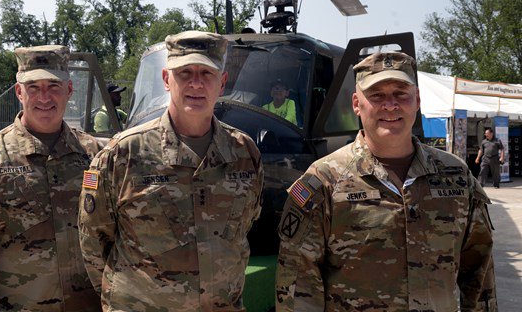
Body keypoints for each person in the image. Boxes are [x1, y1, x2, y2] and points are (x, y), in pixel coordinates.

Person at [276, 51, 497, 311]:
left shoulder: (456, 176)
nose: (390, 105)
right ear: (357, 104)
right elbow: (298, 282)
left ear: (417, 101)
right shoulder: (324, 179)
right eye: (377, 95)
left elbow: (479, 274)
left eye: (401, 93)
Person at [79, 30, 264, 311]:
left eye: (206, 74)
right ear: (167, 79)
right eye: (185, 73)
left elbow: (245, 228)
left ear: (222, 83)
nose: (196, 83)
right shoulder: (125, 153)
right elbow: (94, 240)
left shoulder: (244, 152)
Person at [0, 45, 102, 311]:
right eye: (33, 87)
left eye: (53, 85)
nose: (44, 97)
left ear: (69, 90)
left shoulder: (95, 154)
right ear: (19, 92)